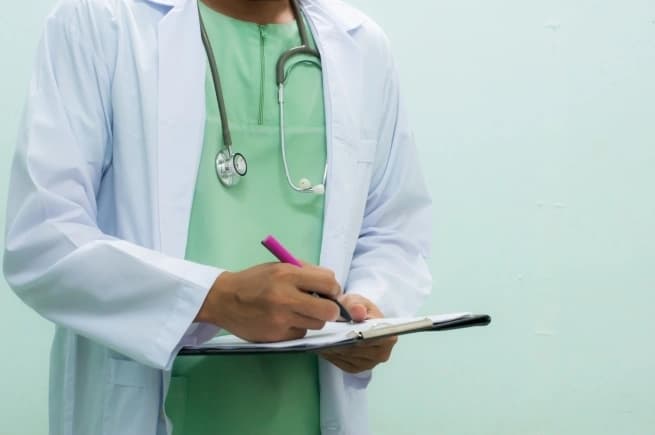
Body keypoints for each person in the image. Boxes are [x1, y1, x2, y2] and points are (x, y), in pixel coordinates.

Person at [3, 0, 432, 433]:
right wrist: (215, 298)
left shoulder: (361, 46)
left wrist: (365, 313)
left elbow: (393, 229)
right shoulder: (100, 21)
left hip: (309, 415)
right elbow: (43, 238)